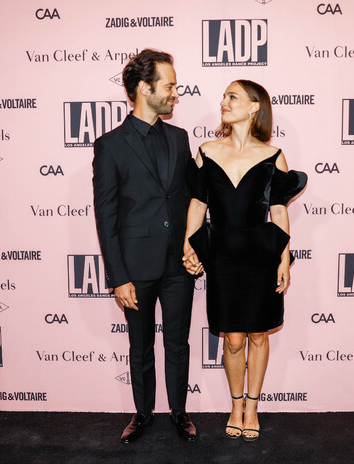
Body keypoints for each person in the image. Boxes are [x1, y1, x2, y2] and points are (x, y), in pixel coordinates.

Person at [182, 80, 306, 441]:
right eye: (223, 96)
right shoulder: (206, 151)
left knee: (258, 334)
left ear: (254, 107)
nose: (223, 102)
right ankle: (235, 404)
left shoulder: (274, 156)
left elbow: (279, 212)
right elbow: (197, 204)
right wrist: (189, 246)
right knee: (233, 339)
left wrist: (284, 258)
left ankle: (251, 406)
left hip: (261, 256)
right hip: (222, 256)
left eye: (232, 97)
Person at [93, 49, 196, 443]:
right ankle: (142, 413)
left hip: (178, 265)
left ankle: (180, 412)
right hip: (134, 267)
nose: (175, 93)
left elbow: (190, 200)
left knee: (178, 342)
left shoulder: (180, 138)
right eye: (169, 86)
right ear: (143, 88)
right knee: (140, 346)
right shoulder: (110, 145)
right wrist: (118, 277)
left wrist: (194, 247)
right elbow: (106, 216)